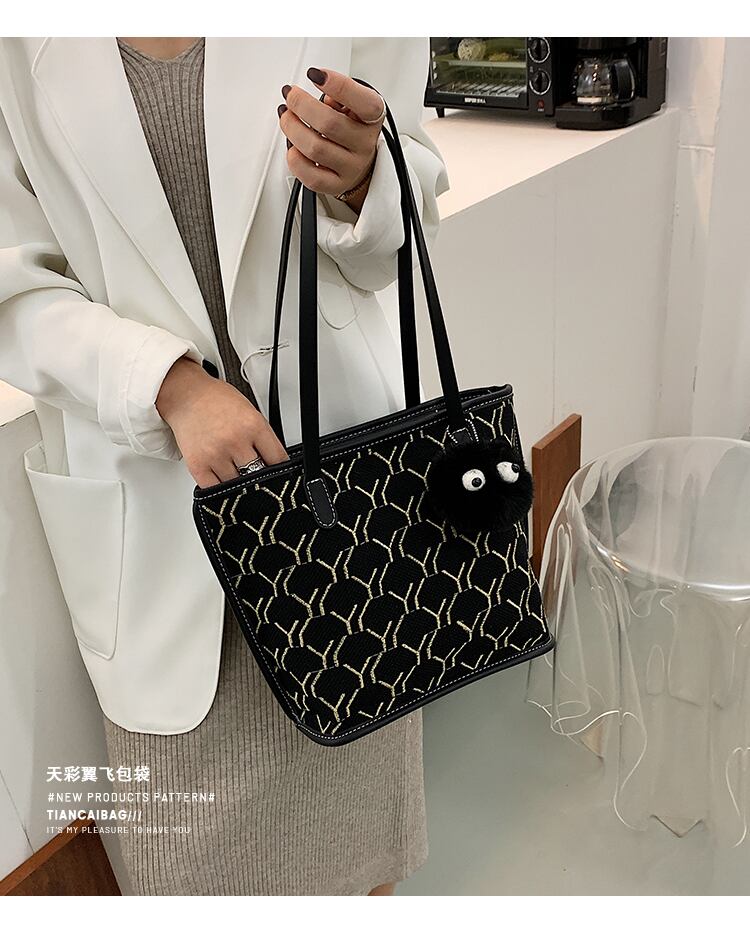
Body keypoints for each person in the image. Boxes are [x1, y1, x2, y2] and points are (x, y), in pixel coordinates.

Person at [0, 37, 448, 895]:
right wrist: (163, 383)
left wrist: (366, 185)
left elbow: (406, 220)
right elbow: (10, 283)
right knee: (191, 877)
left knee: (363, 865)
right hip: (160, 526)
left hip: (338, 521)